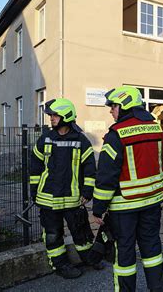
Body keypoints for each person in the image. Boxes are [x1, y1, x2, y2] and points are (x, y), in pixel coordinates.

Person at [92, 86, 163, 292]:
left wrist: (98, 208)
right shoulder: (156, 128)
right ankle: (158, 287)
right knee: (152, 247)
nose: (110, 111)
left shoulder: (116, 134)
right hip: (152, 202)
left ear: (124, 105)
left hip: (124, 206)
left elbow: (106, 175)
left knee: (125, 252)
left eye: (113, 106)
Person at [30, 98, 99, 279]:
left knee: (80, 229)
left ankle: (88, 258)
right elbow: (35, 166)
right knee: (53, 234)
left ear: (66, 116)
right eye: (51, 115)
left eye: (55, 115)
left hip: (72, 197)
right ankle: (60, 265)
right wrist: (33, 190)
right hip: (48, 198)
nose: (51, 118)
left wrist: (87, 191)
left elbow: (90, 168)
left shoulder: (80, 140)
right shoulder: (45, 139)